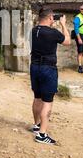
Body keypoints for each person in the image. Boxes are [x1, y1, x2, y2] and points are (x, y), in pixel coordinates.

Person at [30, 8, 71, 145]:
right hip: (48, 69)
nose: (54, 20)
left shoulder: (34, 31)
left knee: (37, 97)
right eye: (53, 18)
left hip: (34, 67)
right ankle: (42, 134)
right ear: (49, 18)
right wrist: (64, 24)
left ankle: (36, 125)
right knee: (47, 102)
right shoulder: (52, 33)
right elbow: (67, 41)